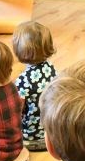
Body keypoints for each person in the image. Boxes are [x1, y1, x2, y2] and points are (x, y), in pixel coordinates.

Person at [12, 21, 56, 151]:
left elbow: (17, 111)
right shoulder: (52, 70)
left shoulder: (23, 81)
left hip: (30, 137)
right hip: (51, 133)